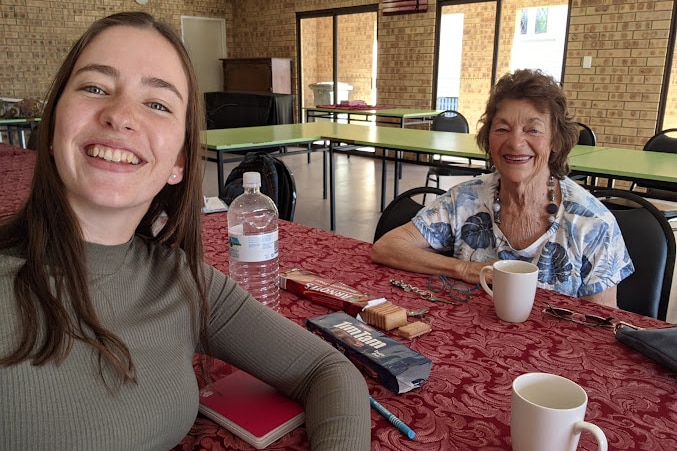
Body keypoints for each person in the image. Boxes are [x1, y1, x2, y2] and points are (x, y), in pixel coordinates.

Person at [0, 12, 370, 450]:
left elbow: (326, 369)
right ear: (53, 124)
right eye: (95, 87)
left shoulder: (181, 280)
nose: (120, 115)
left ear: (179, 162)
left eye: (157, 104)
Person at [371, 69, 633, 308]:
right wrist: (466, 269)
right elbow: (387, 247)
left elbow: (602, 326)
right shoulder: (466, 199)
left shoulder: (593, 224)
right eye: (502, 129)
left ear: (555, 140)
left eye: (533, 129)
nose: (516, 142)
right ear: (488, 139)